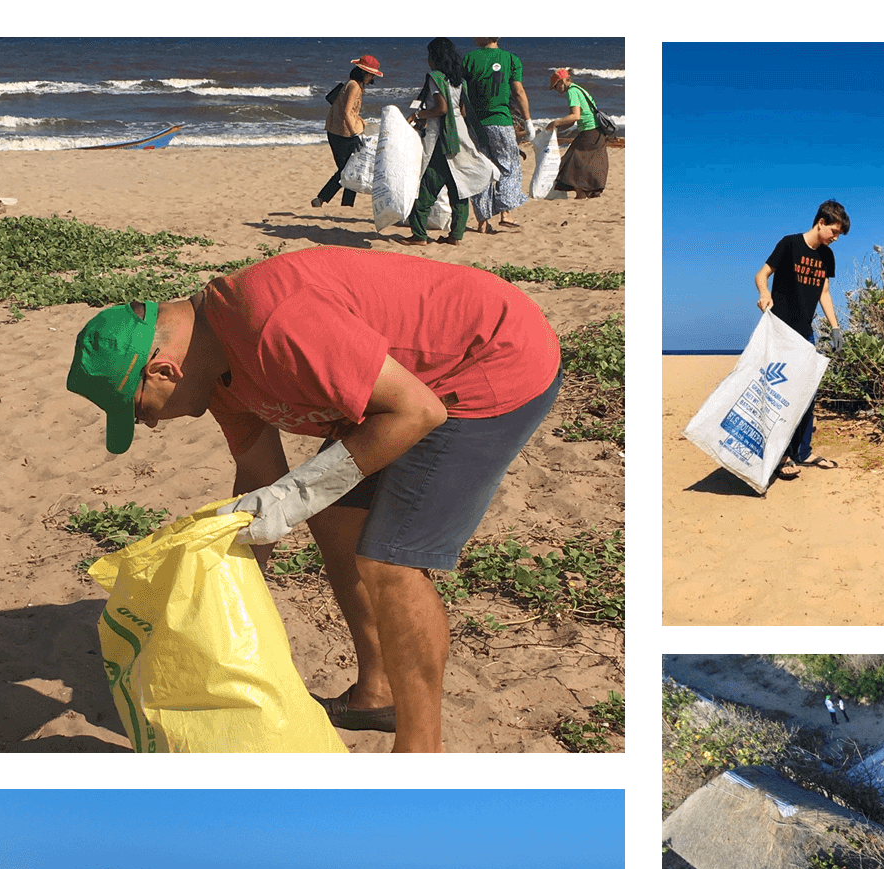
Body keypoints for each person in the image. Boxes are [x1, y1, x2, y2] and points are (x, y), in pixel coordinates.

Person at [64, 247, 562, 752]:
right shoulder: (213, 368)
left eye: (140, 412)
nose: (149, 424)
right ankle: (378, 692)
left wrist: (293, 497)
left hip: (485, 362)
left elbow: (417, 411)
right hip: (404, 389)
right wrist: (224, 582)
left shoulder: (272, 324)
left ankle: (420, 755)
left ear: (164, 372)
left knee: (389, 561)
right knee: (332, 515)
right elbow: (261, 475)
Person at [753, 200, 847, 475]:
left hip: (806, 334)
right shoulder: (789, 244)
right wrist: (764, 293)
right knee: (779, 393)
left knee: (807, 391)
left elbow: (824, 293)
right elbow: (762, 275)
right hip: (780, 332)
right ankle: (781, 456)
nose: (836, 238)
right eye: (834, 231)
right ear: (821, 222)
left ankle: (803, 450)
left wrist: (835, 327)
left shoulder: (827, 256)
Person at [399, 38, 475, 245]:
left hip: (441, 139)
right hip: (459, 137)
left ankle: (419, 235)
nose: (428, 60)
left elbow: (441, 109)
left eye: (429, 55)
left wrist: (418, 116)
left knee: (427, 187)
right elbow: (463, 110)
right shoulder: (459, 80)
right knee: (458, 188)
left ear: (435, 57)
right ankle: (456, 236)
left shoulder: (435, 78)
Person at [465, 40, 530, 233]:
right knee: (509, 164)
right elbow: (518, 91)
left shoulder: (469, 58)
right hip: (500, 120)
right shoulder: (510, 59)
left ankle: (482, 221)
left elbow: (463, 93)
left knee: (481, 168)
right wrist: (528, 120)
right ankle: (505, 212)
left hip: (476, 123)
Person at [314, 55, 384, 209]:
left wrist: (360, 121)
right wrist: (354, 134)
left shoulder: (356, 85)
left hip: (342, 130)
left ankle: (343, 203)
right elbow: (346, 112)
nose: (372, 78)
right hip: (342, 133)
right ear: (364, 73)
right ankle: (322, 199)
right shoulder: (354, 86)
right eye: (371, 74)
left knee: (350, 167)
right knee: (347, 169)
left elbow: (350, 111)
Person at [546, 68, 607, 200]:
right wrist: (558, 130)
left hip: (589, 130)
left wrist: (555, 123)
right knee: (589, 162)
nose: (556, 89)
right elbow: (574, 120)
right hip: (597, 131)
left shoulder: (572, 91)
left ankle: (581, 194)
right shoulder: (579, 89)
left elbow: (575, 116)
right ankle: (587, 192)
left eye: (556, 86)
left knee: (571, 161)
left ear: (562, 81)